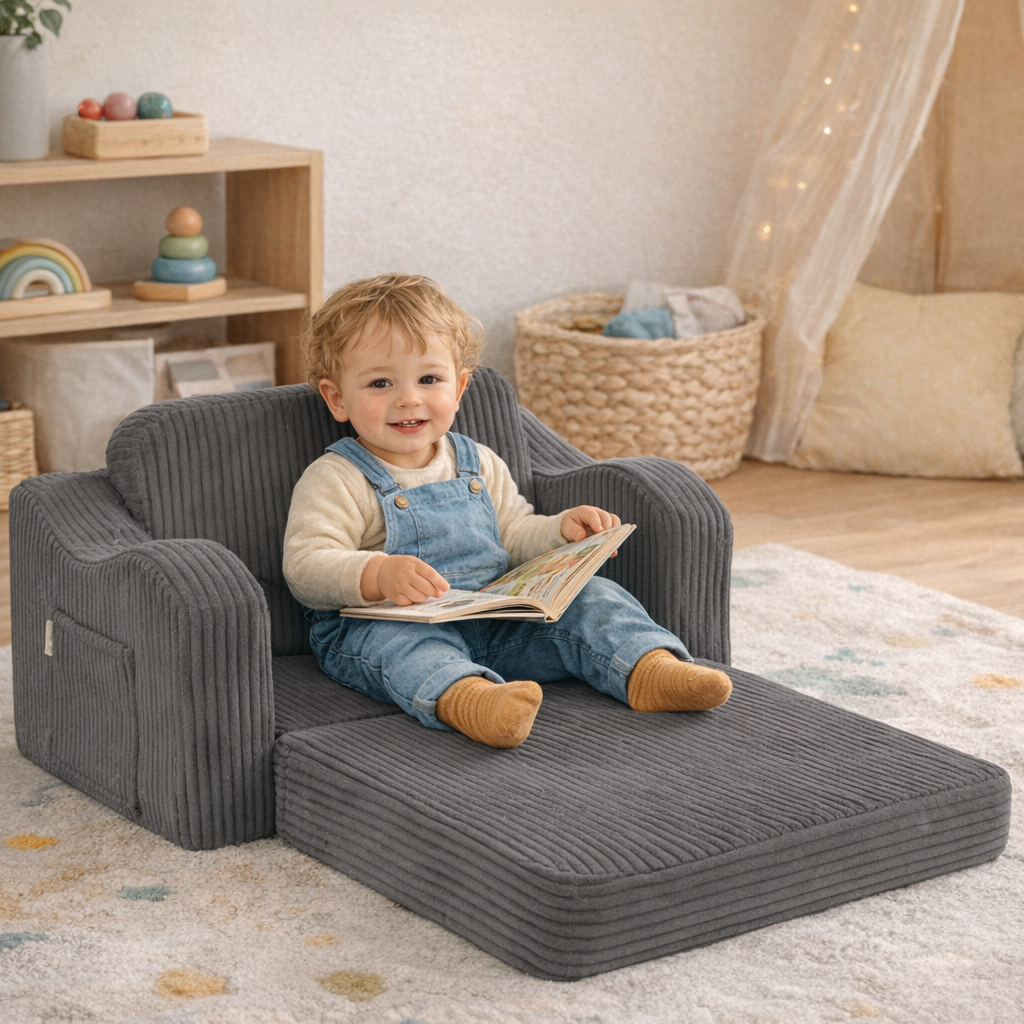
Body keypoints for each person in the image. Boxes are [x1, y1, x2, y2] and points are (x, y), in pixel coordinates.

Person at [283, 274, 731, 748]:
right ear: (337, 398)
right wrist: (377, 573)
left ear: (458, 388)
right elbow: (306, 565)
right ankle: (473, 702)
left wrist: (560, 533)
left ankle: (649, 669)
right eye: (380, 383)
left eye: (428, 379)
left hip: (496, 619)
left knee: (595, 596)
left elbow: (514, 533)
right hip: (388, 625)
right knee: (402, 649)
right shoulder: (338, 476)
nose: (408, 398)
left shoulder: (478, 461)